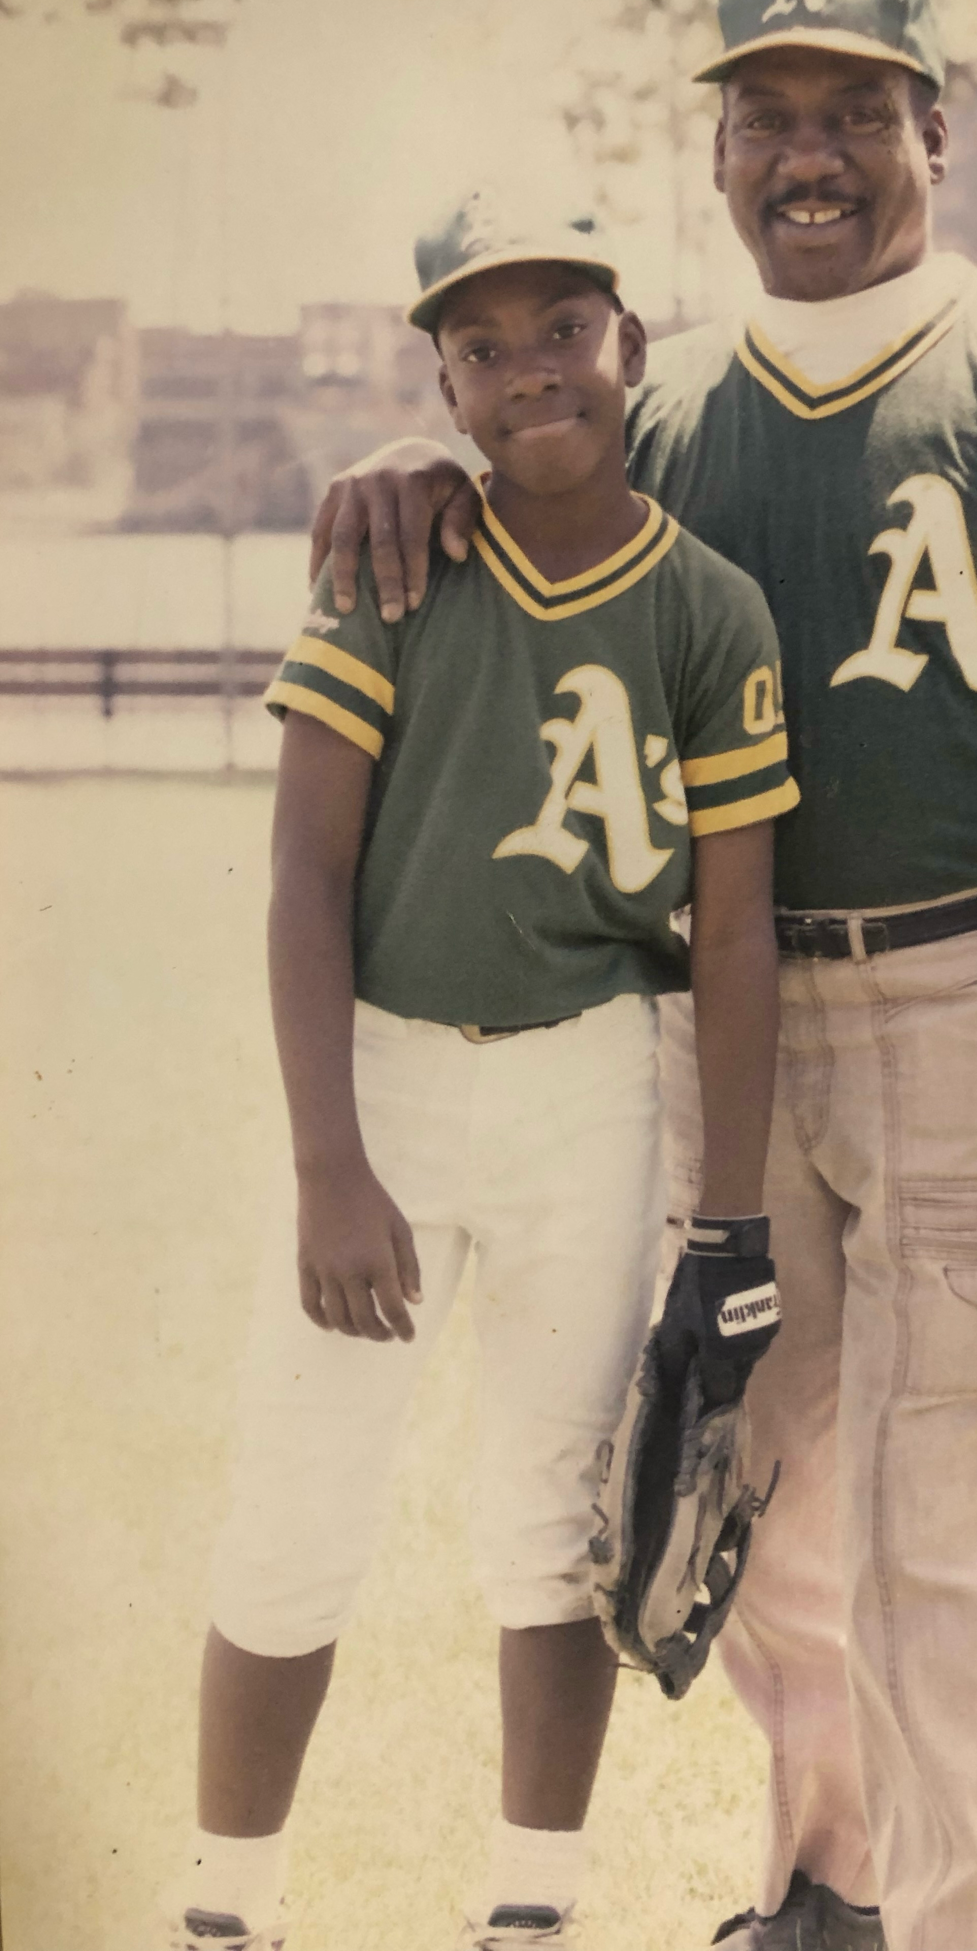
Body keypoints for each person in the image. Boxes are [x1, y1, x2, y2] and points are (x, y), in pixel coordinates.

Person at [309, 0, 977, 1951]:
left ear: (930, 127)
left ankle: (963, 1924)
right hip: (710, 1026)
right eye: (766, 119)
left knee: (938, 1535)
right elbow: (515, 499)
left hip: (966, 996)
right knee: (752, 1509)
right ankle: (825, 1880)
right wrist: (410, 465)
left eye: (849, 115)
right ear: (717, 150)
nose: (806, 156)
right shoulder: (670, 402)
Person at [164, 200, 797, 1951]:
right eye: (485, 347)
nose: (532, 372)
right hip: (383, 1083)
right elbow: (303, 874)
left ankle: (532, 1906)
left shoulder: (709, 607)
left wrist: (728, 1226)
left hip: (593, 1084)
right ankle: (226, 1908)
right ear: (441, 384)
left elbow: (732, 937)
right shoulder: (395, 570)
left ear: (631, 347)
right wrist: (326, 1166)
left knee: (554, 1512)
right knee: (301, 1499)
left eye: (563, 330)